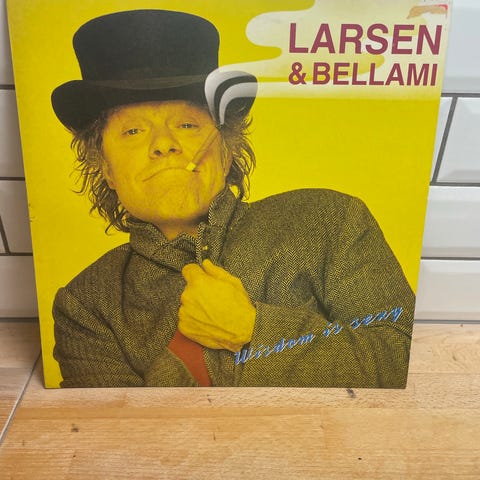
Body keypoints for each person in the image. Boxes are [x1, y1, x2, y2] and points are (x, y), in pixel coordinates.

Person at [51, 9, 415, 388]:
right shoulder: (86, 306)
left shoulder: (330, 221)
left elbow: (401, 358)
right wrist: (188, 356)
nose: (164, 144)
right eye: (133, 132)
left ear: (226, 151)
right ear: (105, 167)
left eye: (187, 125)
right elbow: (116, 422)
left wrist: (252, 329)